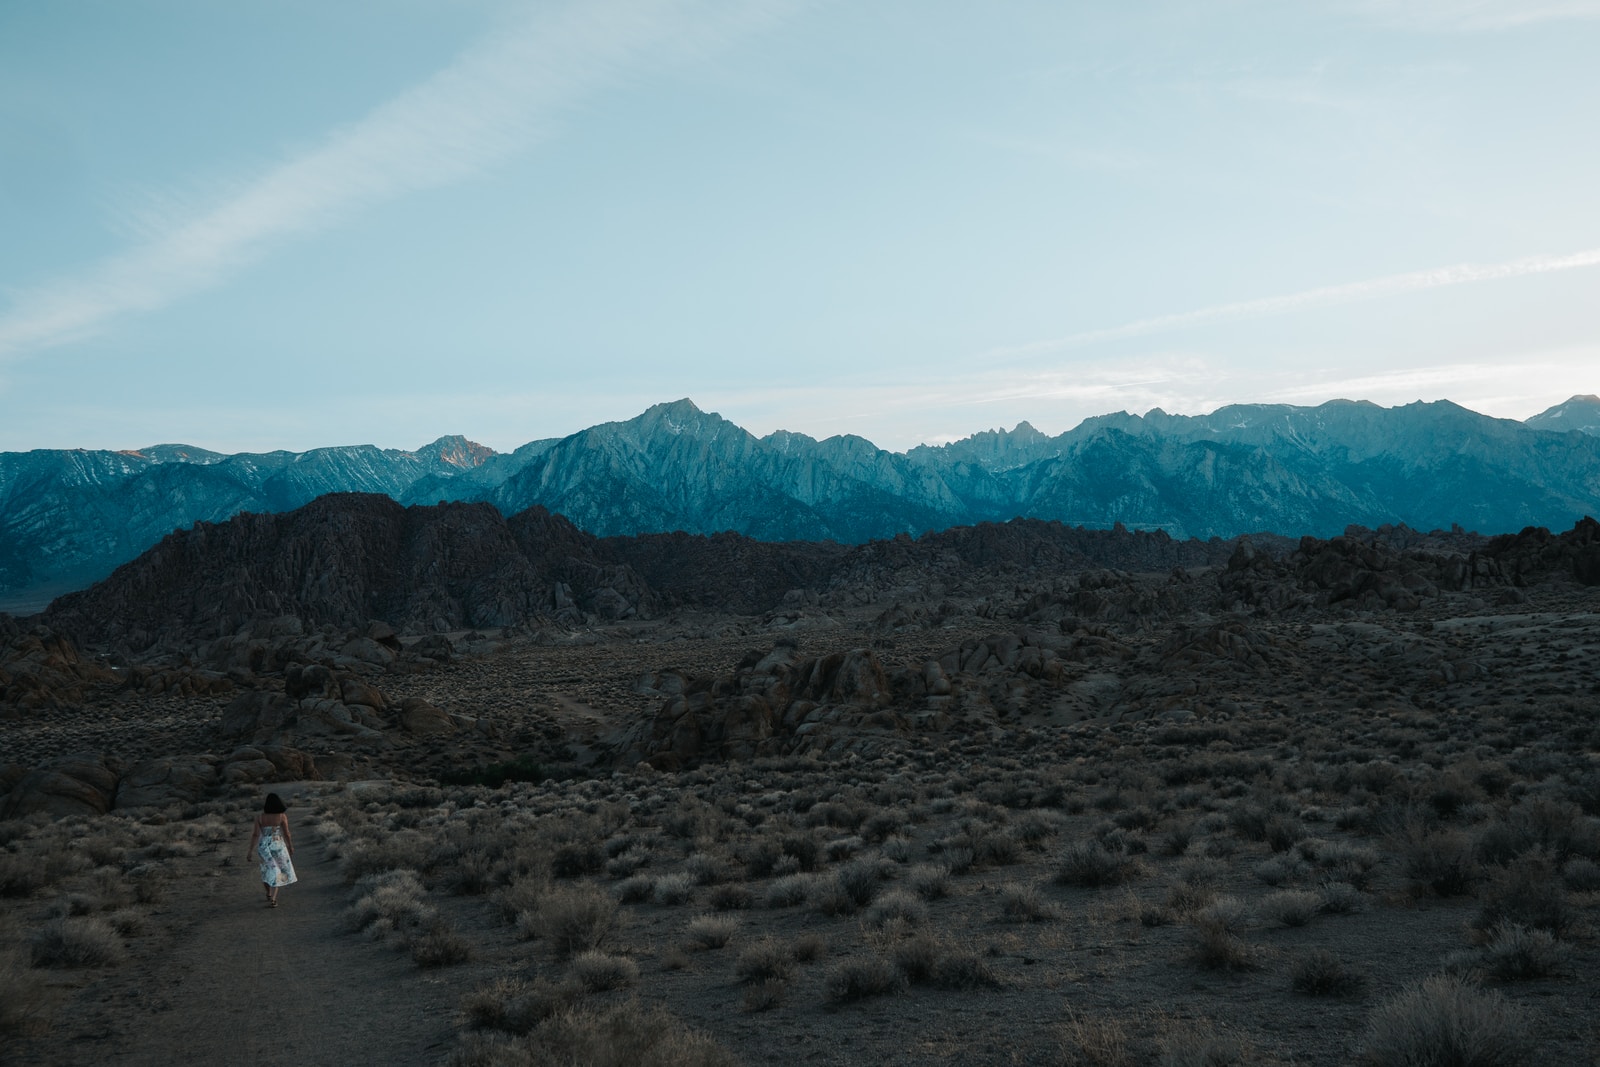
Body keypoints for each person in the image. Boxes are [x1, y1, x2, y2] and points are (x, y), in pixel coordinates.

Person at [246, 792, 297, 907]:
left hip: (264, 847)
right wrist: (290, 846)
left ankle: (269, 893)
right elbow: (287, 833)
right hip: (278, 846)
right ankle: (273, 899)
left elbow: (255, 834)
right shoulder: (282, 816)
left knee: (267, 869)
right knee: (278, 871)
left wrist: (250, 851)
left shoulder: (259, 817)